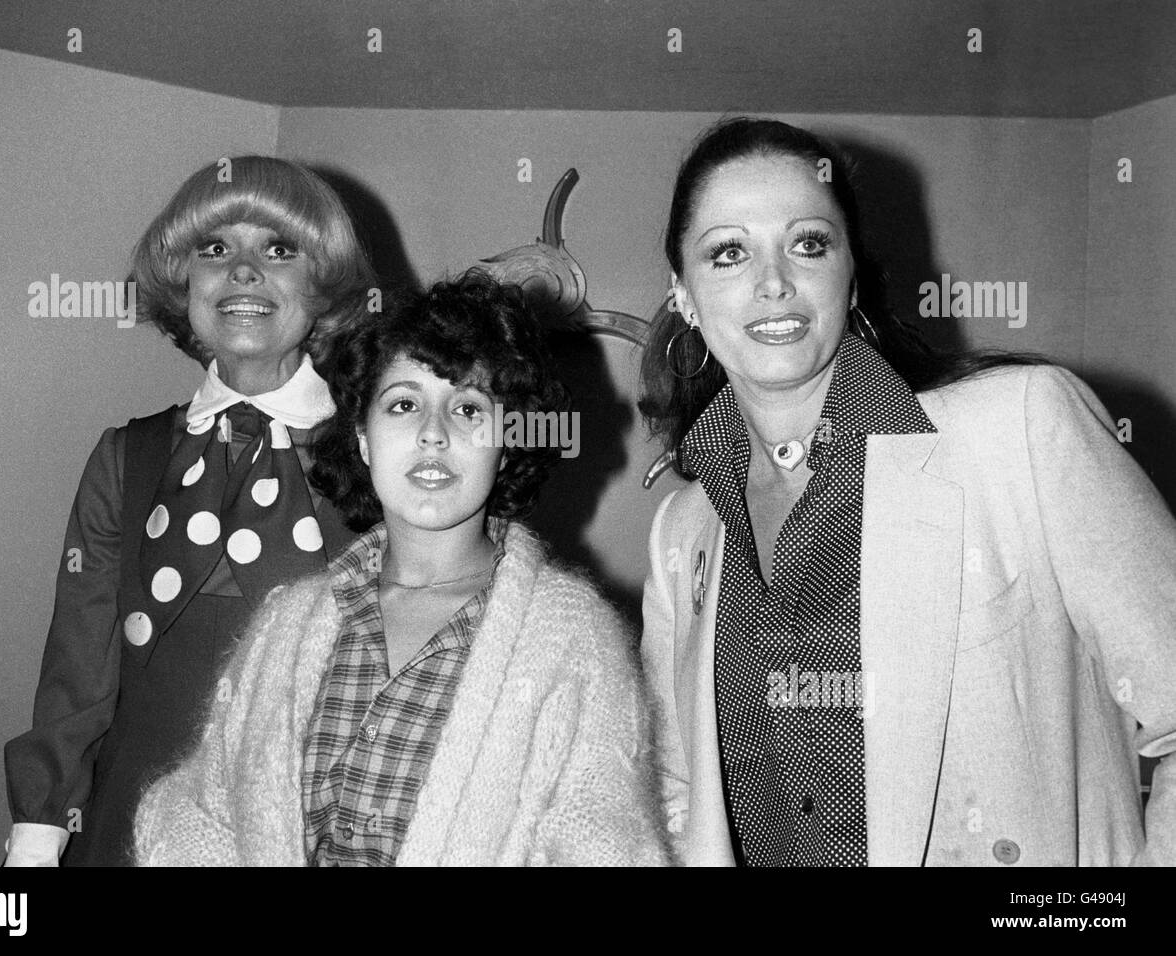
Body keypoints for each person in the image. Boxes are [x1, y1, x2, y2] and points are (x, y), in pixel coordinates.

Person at [638, 117, 1176, 866]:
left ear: (850, 275)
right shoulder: (681, 534)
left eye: (808, 243)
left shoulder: (1020, 429)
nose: (773, 283)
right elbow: (676, 791)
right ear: (685, 296)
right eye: (728, 253)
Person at [134, 271, 669, 866]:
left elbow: (605, 845)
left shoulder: (573, 639)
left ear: (508, 442)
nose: (433, 435)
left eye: (468, 408)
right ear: (363, 437)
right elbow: (202, 814)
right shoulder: (287, 625)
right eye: (404, 404)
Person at [3, 157, 377, 866]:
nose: (242, 271)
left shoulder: (378, 454)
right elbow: (78, 670)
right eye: (214, 249)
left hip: (307, 825)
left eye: (278, 249)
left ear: (322, 285)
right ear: (182, 284)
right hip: (128, 825)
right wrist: (38, 834)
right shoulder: (126, 457)